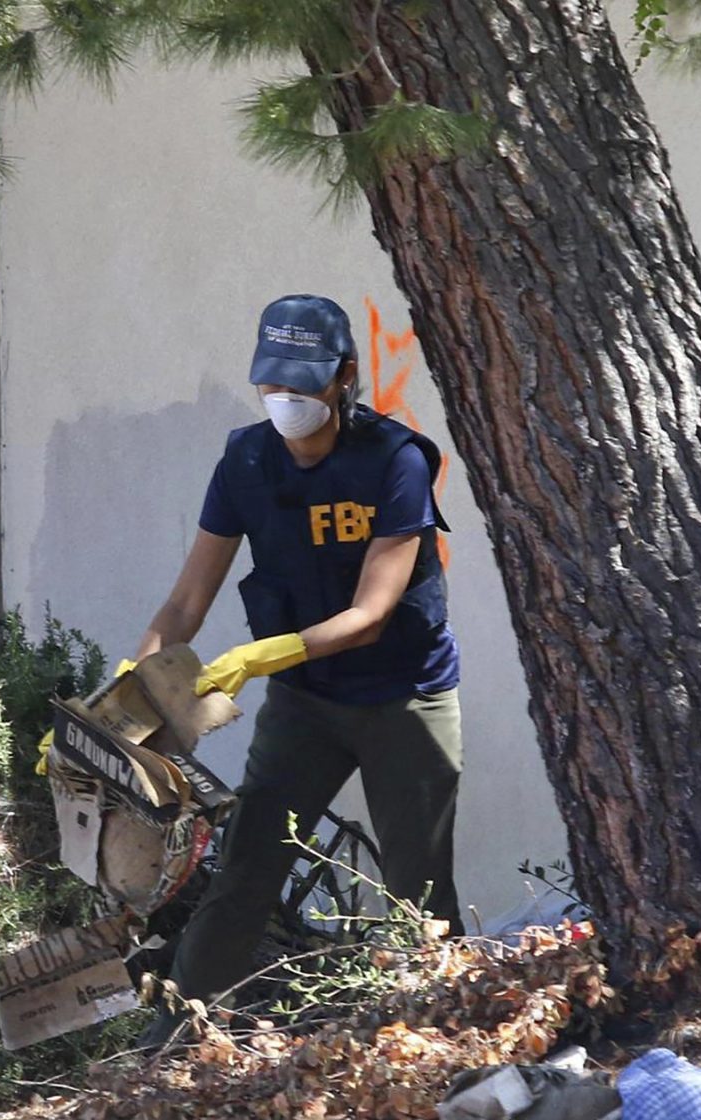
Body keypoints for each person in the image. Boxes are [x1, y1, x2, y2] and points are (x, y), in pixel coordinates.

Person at [130, 294, 463, 1048]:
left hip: (402, 700)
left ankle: (439, 1047)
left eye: (305, 383)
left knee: (420, 891)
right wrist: (128, 698)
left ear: (345, 376)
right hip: (306, 706)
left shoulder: (396, 459)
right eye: (273, 383)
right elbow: (187, 600)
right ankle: (172, 1045)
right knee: (244, 872)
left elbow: (373, 611)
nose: (288, 400)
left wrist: (258, 657)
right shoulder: (245, 459)